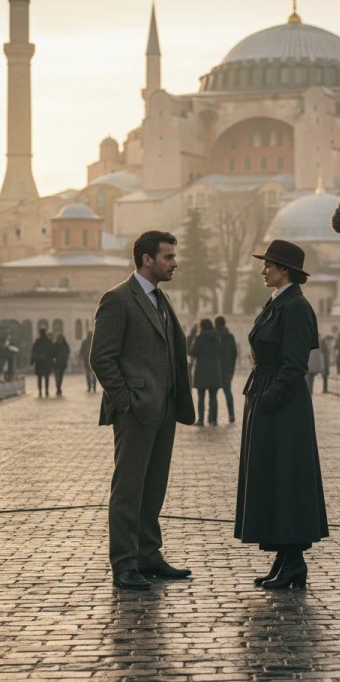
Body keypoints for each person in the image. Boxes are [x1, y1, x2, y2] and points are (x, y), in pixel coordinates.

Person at [90, 230, 195, 590]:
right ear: (147, 260)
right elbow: (101, 358)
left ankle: (148, 555)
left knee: (153, 487)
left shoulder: (160, 299)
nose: (174, 263)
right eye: (168, 257)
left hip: (164, 408)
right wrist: (126, 401)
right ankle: (124, 563)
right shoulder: (118, 299)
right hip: (136, 410)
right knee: (129, 489)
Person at [235, 239, 328, 590]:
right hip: (268, 395)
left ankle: (294, 561)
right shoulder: (280, 301)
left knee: (287, 478)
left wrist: (270, 400)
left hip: (283, 406)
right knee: (273, 477)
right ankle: (285, 557)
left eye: (269, 265)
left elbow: (294, 364)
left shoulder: (296, 307)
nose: (263, 270)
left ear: (285, 270)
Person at [190, 318, 223, 426]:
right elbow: (220, 351)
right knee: (213, 398)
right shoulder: (217, 338)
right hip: (214, 370)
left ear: (202, 326)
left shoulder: (200, 337)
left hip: (201, 371)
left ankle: (201, 420)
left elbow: (192, 352)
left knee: (201, 397)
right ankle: (213, 419)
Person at [214, 315, 238, 424]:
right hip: (227, 369)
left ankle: (213, 418)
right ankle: (231, 415)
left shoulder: (214, 335)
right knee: (228, 392)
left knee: (213, 395)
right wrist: (232, 369)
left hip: (215, 368)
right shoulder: (230, 336)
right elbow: (234, 354)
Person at [30, 328, 55, 397]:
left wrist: (32, 360)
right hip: (46, 362)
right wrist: (52, 359)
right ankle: (46, 391)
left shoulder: (37, 341)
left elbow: (34, 352)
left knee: (39, 378)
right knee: (46, 378)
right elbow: (52, 351)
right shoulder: (48, 341)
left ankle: (40, 391)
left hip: (39, 362)